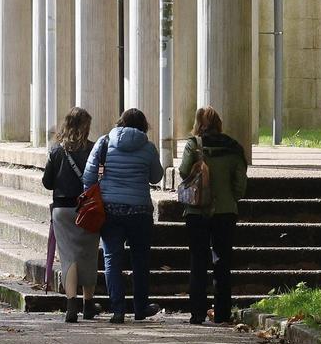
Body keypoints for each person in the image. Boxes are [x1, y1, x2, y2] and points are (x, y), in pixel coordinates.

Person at [83, 108, 164, 324]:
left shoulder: (104, 142)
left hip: (110, 210)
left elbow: (89, 176)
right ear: (143, 126)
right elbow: (156, 177)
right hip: (140, 210)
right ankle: (140, 308)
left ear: (121, 121)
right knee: (140, 260)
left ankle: (118, 310)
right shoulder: (147, 147)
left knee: (112, 259)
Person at [177, 106, 247, 325]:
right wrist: (230, 197)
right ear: (219, 123)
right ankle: (222, 313)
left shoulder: (194, 145)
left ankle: (197, 313)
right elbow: (240, 184)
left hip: (197, 210)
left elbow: (183, 171)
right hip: (225, 211)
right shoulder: (234, 148)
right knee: (223, 262)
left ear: (199, 124)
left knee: (198, 261)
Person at [42, 107, 100, 323]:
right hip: (88, 209)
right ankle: (88, 304)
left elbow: (48, 183)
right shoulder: (94, 150)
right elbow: (100, 177)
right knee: (89, 255)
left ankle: (71, 306)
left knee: (69, 258)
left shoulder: (56, 151)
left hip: (62, 211)